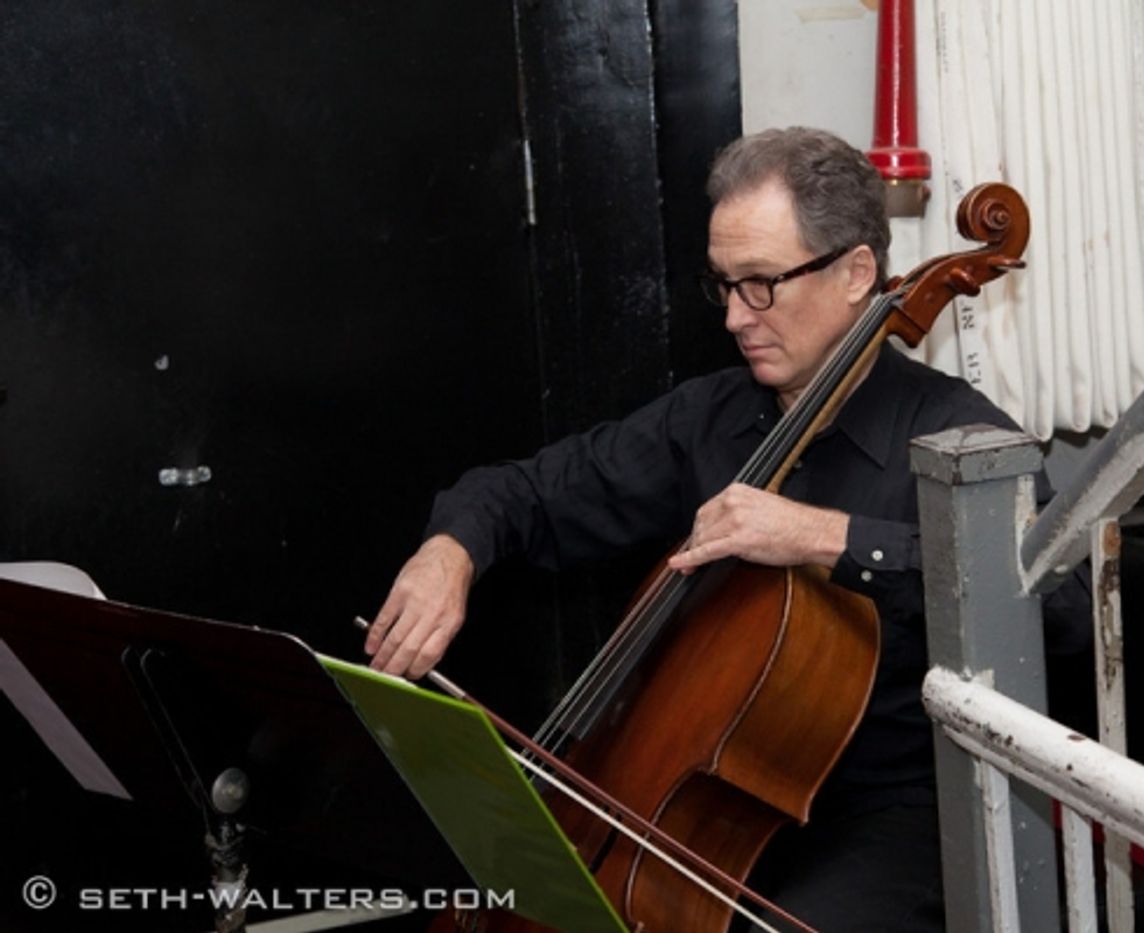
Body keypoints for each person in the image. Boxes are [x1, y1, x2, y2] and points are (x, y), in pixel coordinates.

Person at [365, 126, 1088, 931]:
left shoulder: (961, 437)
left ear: (856, 273)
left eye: (761, 284)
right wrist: (451, 551)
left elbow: (1061, 608)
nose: (737, 317)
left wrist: (830, 537)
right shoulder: (709, 418)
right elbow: (528, 492)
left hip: (896, 819)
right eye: (725, 285)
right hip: (714, 808)